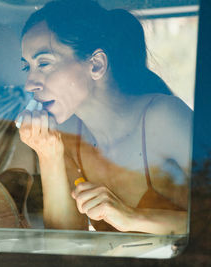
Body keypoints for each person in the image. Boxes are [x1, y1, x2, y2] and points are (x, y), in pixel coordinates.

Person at [17, 0, 191, 234]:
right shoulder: (66, 132)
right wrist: (48, 155)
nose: (29, 84)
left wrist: (133, 218)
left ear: (96, 65)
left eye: (44, 63)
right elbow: (65, 241)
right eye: (27, 67)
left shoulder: (164, 117)